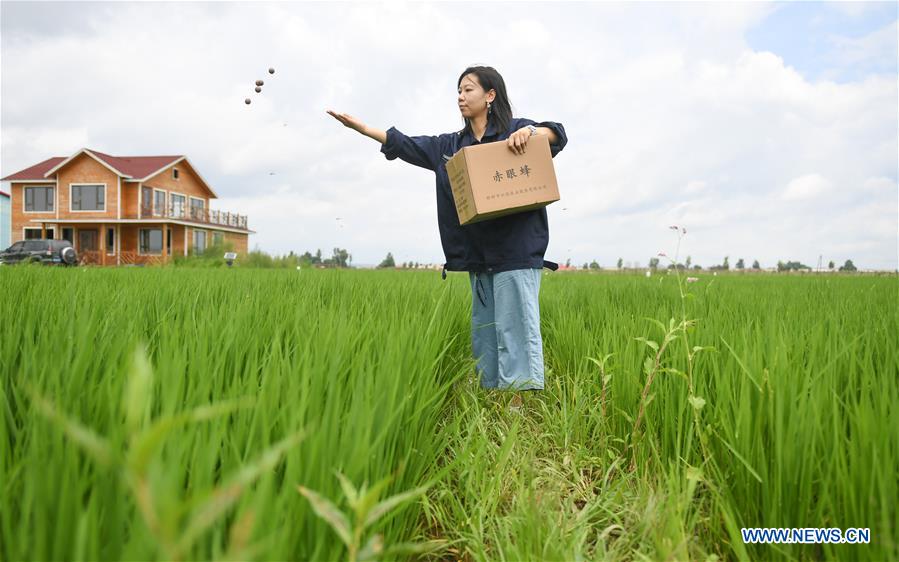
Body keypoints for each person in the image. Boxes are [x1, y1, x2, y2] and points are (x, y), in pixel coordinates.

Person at [327, 65, 567, 398]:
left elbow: (557, 134)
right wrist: (363, 128)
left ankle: (517, 404)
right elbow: (407, 145)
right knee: (485, 331)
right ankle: (491, 398)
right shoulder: (452, 145)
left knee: (516, 328)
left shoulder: (515, 130)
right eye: (458, 91)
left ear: (490, 95)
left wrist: (532, 133)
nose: (461, 97)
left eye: (468, 89)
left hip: (516, 249)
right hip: (479, 257)